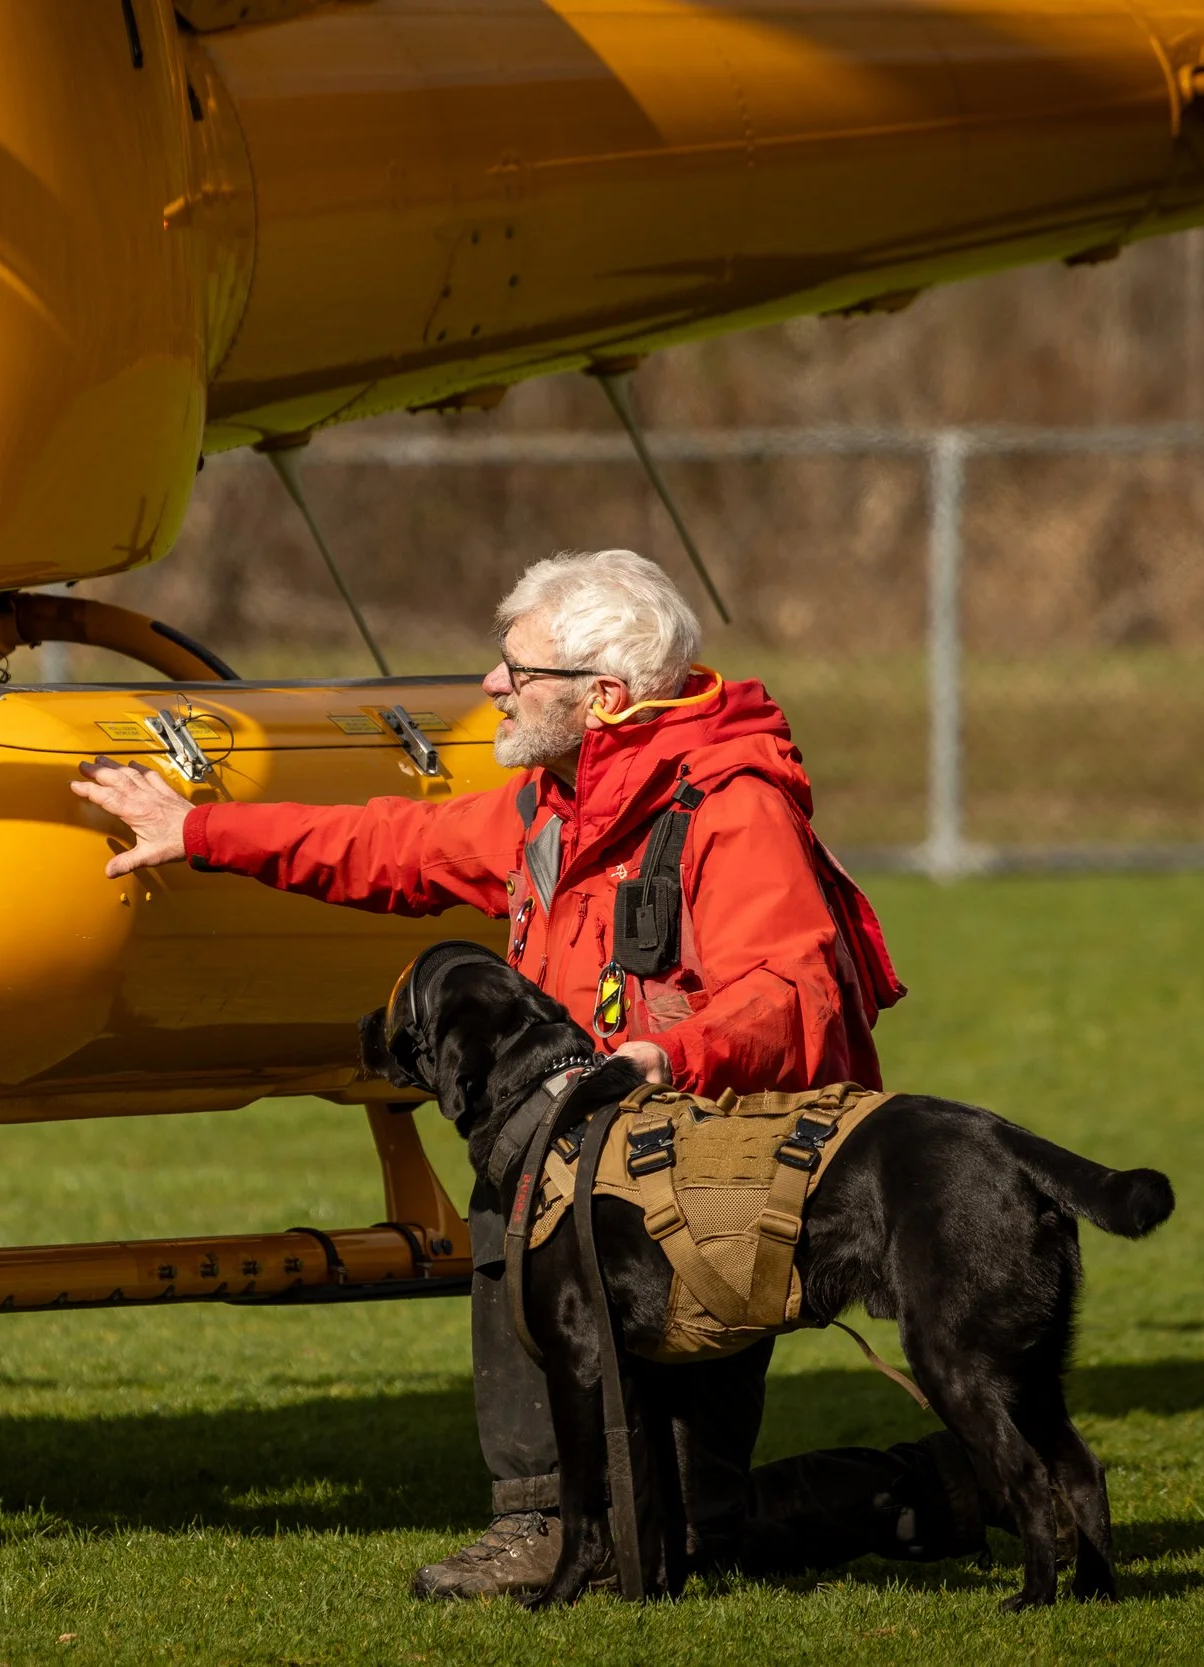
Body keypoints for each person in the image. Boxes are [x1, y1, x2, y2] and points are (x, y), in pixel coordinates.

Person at [73, 549, 996, 1599]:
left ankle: (946, 1487)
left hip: (708, 1185)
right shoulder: (550, 802)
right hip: (580, 1156)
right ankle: (535, 1522)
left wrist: (662, 1052)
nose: (489, 685)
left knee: (689, 1532)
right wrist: (194, 828)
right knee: (519, 1193)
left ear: (602, 697)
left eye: (516, 669)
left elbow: (791, 994)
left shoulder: (735, 811)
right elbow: (392, 843)